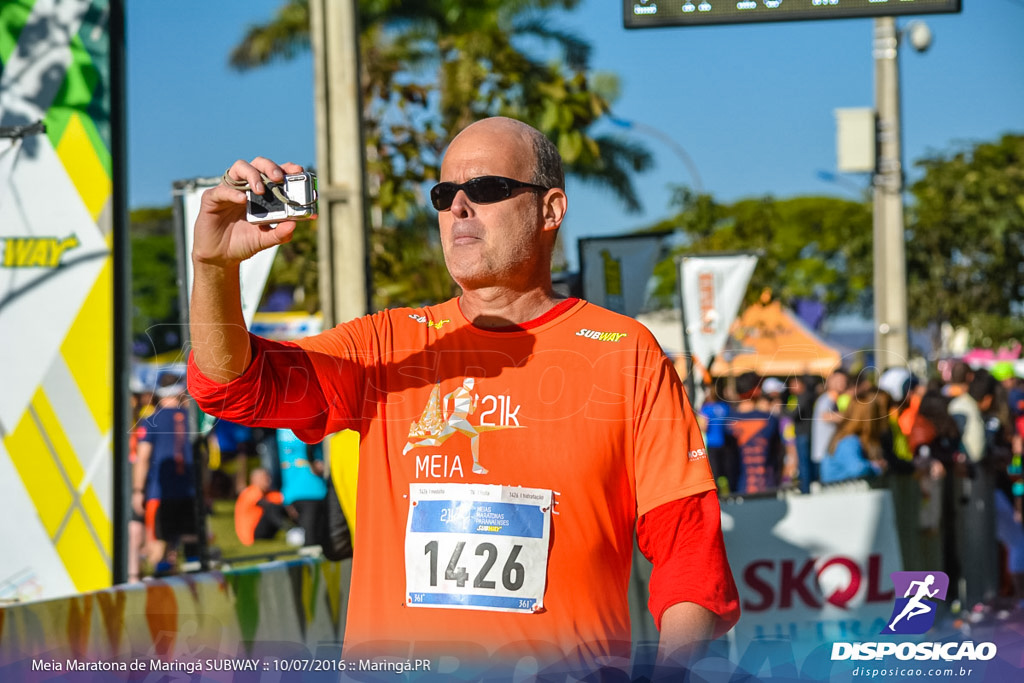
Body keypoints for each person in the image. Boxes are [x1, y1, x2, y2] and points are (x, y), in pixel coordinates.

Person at [186, 116, 739, 674]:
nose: (458, 208)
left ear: (551, 210)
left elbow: (689, 552)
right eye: (445, 194)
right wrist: (212, 269)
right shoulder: (388, 343)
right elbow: (235, 388)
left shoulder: (624, 351)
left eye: (487, 189)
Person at [132, 373, 199, 576]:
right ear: (180, 391)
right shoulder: (193, 419)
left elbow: (142, 458)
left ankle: (160, 591)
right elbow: (202, 458)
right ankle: (196, 588)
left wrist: (137, 490)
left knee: (159, 545)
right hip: (190, 491)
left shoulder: (151, 421)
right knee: (191, 544)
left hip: (160, 494)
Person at [722, 372, 783, 496]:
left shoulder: (727, 422)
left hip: (738, 491)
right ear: (757, 391)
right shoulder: (770, 419)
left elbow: (726, 461)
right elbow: (779, 455)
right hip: (768, 488)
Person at [819, 388, 887, 484]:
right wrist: (875, 466)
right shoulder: (849, 441)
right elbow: (856, 469)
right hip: (839, 494)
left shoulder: (846, 438)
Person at [277, 428, 328, 547]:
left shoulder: (279, 425)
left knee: (312, 539)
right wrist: (313, 463)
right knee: (314, 541)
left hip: (294, 490)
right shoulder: (305, 417)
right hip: (312, 489)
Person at [810, 369, 850, 484]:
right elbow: (825, 416)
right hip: (825, 454)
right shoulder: (827, 399)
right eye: (838, 380)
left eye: (844, 380)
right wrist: (852, 415)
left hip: (827, 453)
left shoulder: (833, 399)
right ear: (829, 382)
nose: (842, 383)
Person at [234, 468, 290, 546]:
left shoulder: (270, 493)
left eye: (268, 477)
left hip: (267, 532)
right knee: (273, 509)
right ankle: (291, 530)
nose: (268, 480)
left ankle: (302, 530)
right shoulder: (249, 492)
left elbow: (286, 505)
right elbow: (267, 505)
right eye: (264, 478)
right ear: (253, 480)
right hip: (252, 535)